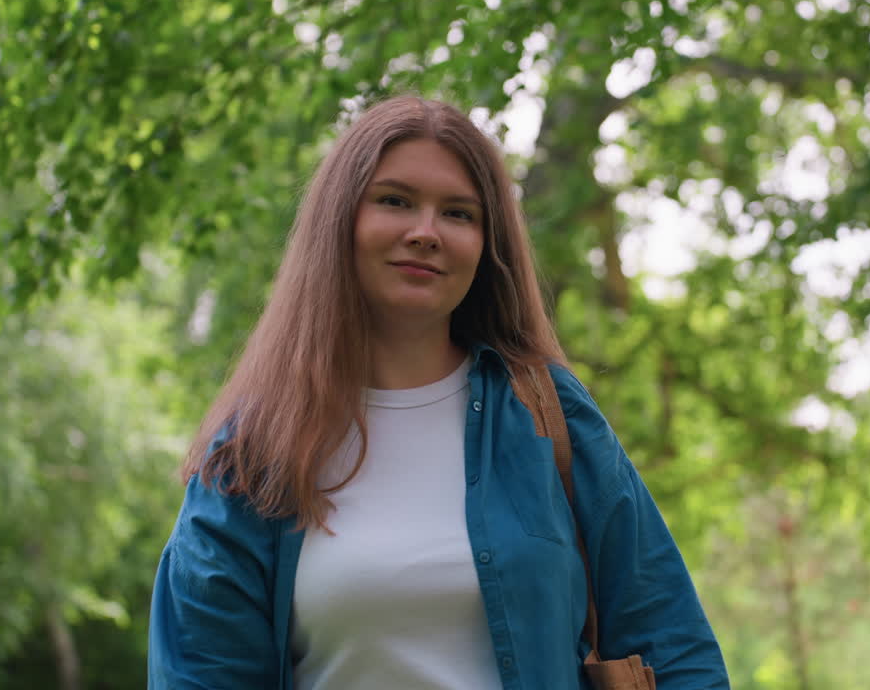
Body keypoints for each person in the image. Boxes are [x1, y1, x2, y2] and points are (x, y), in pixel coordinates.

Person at [148, 96, 730, 689]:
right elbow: (199, 672)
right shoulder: (253, 452)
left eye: (458, 214)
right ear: (340, 222)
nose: (425, 233)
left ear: (486, 245)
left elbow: (670, 642)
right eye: (395, 201)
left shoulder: (548, 415)